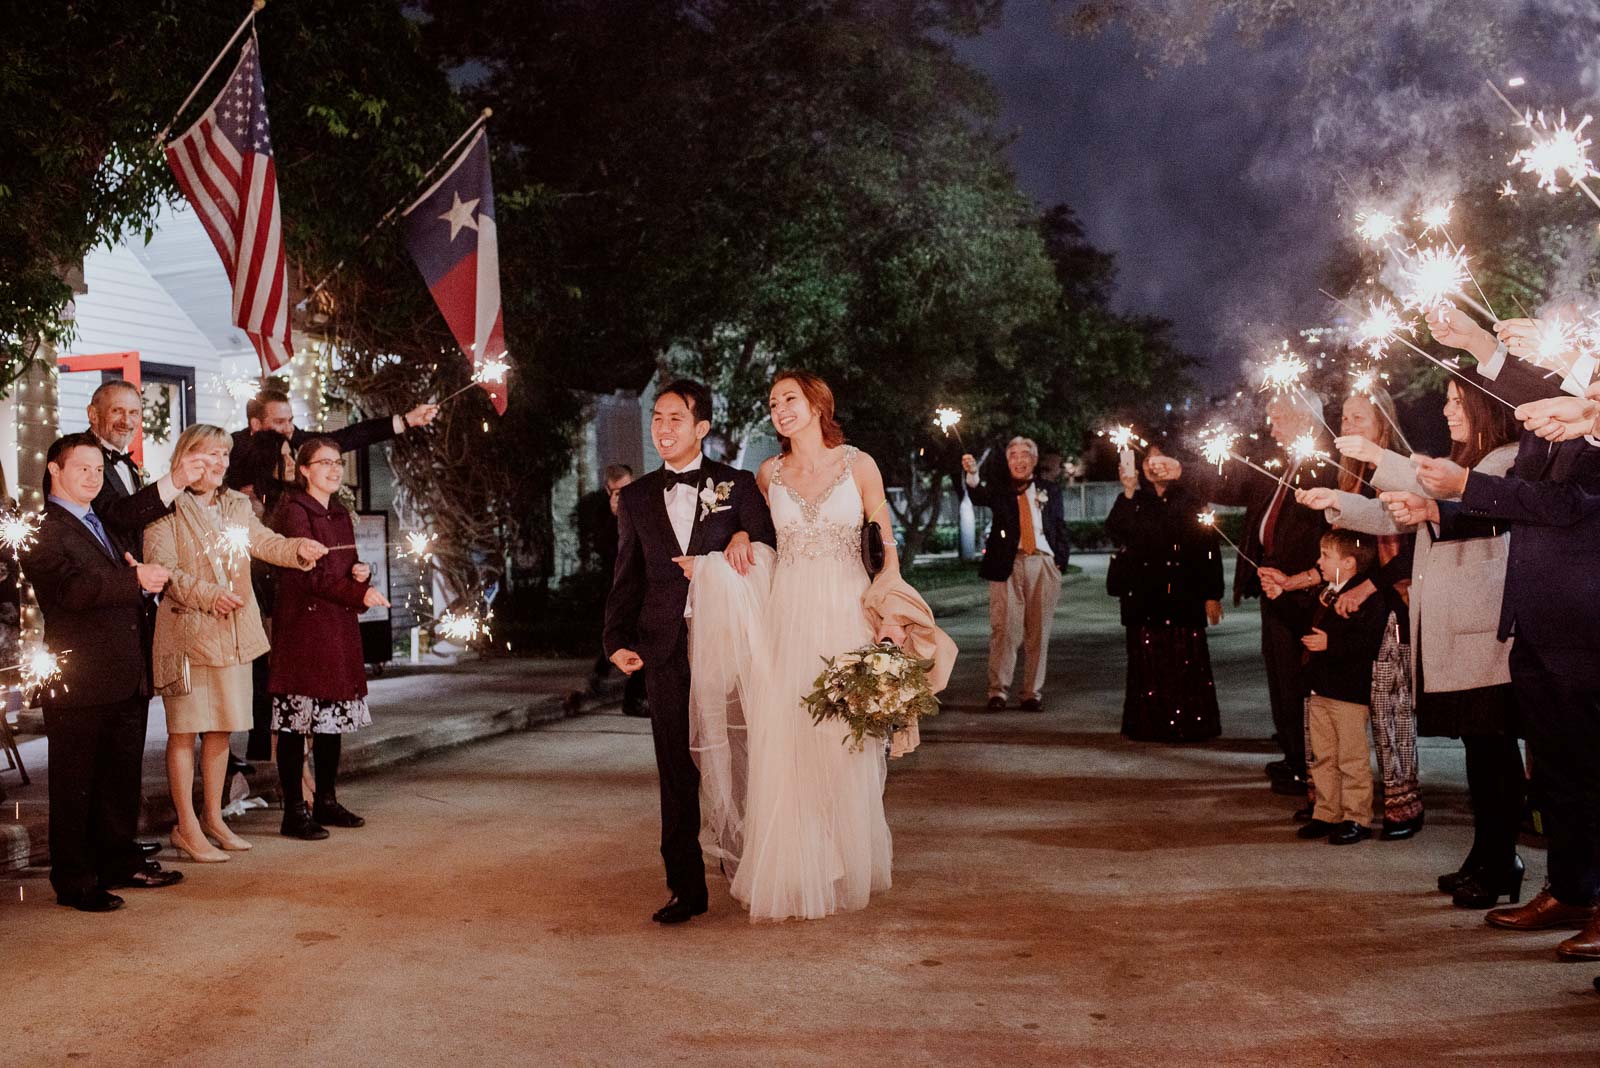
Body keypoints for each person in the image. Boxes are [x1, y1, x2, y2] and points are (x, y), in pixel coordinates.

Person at [687, 370, 954, 922]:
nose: (779, 408)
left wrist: (891, 607)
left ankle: (839, 856)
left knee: (842, 742)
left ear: (815, 403)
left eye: (789, 399)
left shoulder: (859, 464)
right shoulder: (769, 473)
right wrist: (737, 537)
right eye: (772, 402)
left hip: (847, 611)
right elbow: (754, 529)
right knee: (787, 740)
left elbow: (884, 535)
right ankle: (795, 868)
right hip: (786, 617)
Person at [1398, 364, 1600, 960]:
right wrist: (1440, 510)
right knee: (1560, 777)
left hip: (1584, 625)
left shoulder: (1588, 440)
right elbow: (1521, 507)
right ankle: (1570, 891)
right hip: (1534, 622)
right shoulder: (1549, 431)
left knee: (1592, 774)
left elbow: (1566, 506)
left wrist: (1464, 484)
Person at [1307, 376, 1521, 902]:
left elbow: (1442, 493)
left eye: (1456, 401)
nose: (1447, 410)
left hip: (1485, 631)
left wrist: (1379, 455)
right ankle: (1487, 854)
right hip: (1456, 627)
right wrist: (1336, 499)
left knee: (1494, 749)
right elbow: (1403, 508)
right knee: (1480, 749)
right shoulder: (1467, 462)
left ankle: (1503, 861)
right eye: (1446, 400)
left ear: (1484, 407)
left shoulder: (1506, 461)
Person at [602, 380, 777, 924]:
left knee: (742, 759)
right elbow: (626, 573)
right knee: (676, 767)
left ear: (701, 428)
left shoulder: (738, 483)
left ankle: (754, 868)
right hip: (665, 647)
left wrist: (744, 540)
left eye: (676, 418)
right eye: (657, 418)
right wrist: (616, 641)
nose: (663, 428)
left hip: (728, 645)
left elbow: (771, 549)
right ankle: (685, 886)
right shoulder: (635, 496)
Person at [144, 425, 326, 863]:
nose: (219, 464)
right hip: (188, 635)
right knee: (185, 731)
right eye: (209, 455)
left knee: (222, 728)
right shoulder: (164, 507)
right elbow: (164, 570)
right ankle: (185, 825)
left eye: (224, 455)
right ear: (186, 458)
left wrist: (299, 548)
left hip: (231, 634)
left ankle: (213, 817)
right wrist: (208, 595)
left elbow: (263, 543)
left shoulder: (236, 504)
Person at [24, 433, 183, 911]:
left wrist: (142, 583)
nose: (94, 478)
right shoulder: (44, 528)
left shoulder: (102, 524)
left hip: (123, 672)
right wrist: (130, 579)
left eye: (99, 470)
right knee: (75, 785)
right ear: (55, 470)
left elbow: (118, 585)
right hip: (78, 678)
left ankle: (118, 860)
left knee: (119, 780)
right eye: (83, 469)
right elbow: (68, 592)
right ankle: (74, 879)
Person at [1183, 391, 1339, 797]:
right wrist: (1181, 470)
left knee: (1300, 682)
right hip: (1275, 588)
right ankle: (1293, 757)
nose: (1271, 428)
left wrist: (1294, 577)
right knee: (1280, 677)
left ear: (1304, 420)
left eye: (1278, 419)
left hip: (1303, 591)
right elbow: (1228, 485)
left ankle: (1308, 766)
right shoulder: (1279, 464)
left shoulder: (1322, 465)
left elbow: (1320, 533)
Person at [267, 437, 392, 840]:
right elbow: (311, 575)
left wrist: (360, 573)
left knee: (329, 719)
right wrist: (360, 593)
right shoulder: (294, 511)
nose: (334, 470)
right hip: (304, 629)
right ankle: (294, 809)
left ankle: (326, 799)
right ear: (303, 470)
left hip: (335, 625)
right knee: (294, 719)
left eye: (338, 463)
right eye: (324, 463)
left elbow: (340, 565)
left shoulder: (339, 511)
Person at [1312, 387, 1422, 838]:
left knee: (1389, 707)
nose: (1348, 425)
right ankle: (1337, 805)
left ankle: (1403, 805)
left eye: (1359, 417)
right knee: (1345, 713)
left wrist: (1368, 587)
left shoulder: (1401, 471)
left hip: (1389, 606)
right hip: (1349, 610)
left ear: (1382, 423)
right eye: (1344, 417)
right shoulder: (1347, 475)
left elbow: (1412, 541)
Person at [1104, 443, 1224, 742]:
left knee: (1183, 659)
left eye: (1160, 458)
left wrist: (1212, 594)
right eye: (1148, 460)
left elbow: (1208, 549)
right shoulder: (1137, 499)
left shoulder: (1190, 500)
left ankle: (1189, 725)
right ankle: (1148, 724)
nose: (1153, 464)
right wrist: (1128, 491)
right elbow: (1117, 531)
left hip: (1183, 595)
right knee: (1147, 661)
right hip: (1144, 596)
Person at [960, 437, 1070, 711]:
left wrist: (1060, 560)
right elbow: (978, 495)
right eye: (1013, 456)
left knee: (1038, 632)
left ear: (1033, 460)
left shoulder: (1049, 490)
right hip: (1007, 565)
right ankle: (998, 691)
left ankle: (1032, 692)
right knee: (1004, 630)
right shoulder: (1000, 490)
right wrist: (972, 474)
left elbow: (1059, 524)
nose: (1019, 460)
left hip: (1043, 563)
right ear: (1007, 461)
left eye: (1025, 455)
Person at [1295, 529, 1388, 845]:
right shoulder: (1326, 592)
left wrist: (1330, 643)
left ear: (1349, 563)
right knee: (1323, 755)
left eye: (1325, 556)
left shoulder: (1366, 598)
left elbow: (1367, 642)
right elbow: (1300, 623)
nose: (1318, 562)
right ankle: (1326, 811)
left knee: (1351, 757)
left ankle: (1356, 817)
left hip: (1348, 692)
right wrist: (1279, 594)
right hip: (1320, 689)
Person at [231, 430, 296, 763]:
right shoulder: (246, 496)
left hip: (277, 589)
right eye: (282, 456)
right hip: (256, 590)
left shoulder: (287, 495)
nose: (289, 462)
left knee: (274, 675)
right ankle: (259, 748)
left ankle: (268, 749)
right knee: (261, 675)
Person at [226, 388, 441, 488]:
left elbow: (350, 437)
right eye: (280, 422)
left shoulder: (297, 439)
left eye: (290, 420)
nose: (288, 428)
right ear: (255, 424)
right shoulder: (231, 447)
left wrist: (406, 420)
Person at [582, 463, 646, 717]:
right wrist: (615, 516)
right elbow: (602, 548)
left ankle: (622, 690)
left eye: (626, 488)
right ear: (609, 490)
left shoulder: (643, 503)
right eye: (617, 491)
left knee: (638, 639)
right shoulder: (602, 513)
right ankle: (617, 687)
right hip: (614, 584)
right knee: (623, 635)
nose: (623, 494)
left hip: (640, 583)